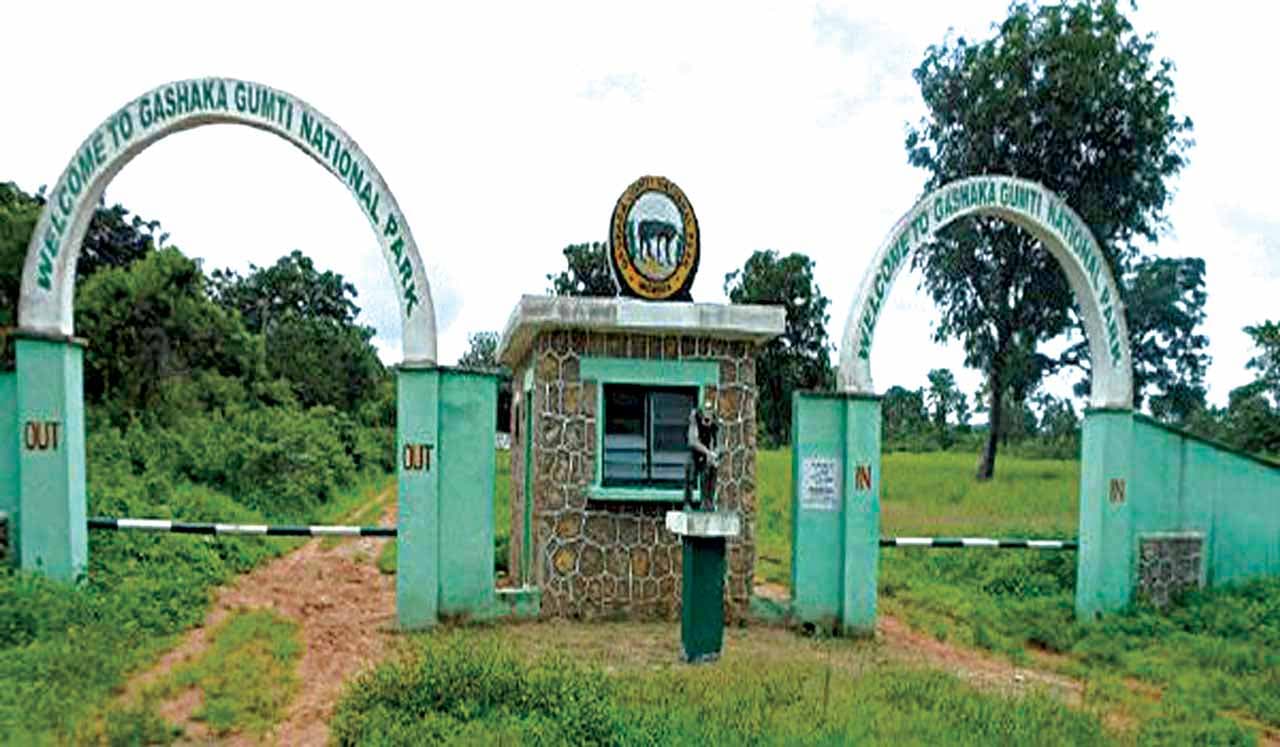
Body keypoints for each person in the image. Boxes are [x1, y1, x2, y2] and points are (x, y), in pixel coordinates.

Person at [684, 401, 720, 511]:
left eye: (709, 420)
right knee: (690, 471)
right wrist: (708, 452)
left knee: (711, 470)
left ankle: (708, 502)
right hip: (696, 450)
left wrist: (715, 455)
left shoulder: (715, 422)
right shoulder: (694, 417)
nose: (707, 422)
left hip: (707, 450)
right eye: (705, 419)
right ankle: (687, 502)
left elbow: (719, 443)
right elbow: (692, 441)